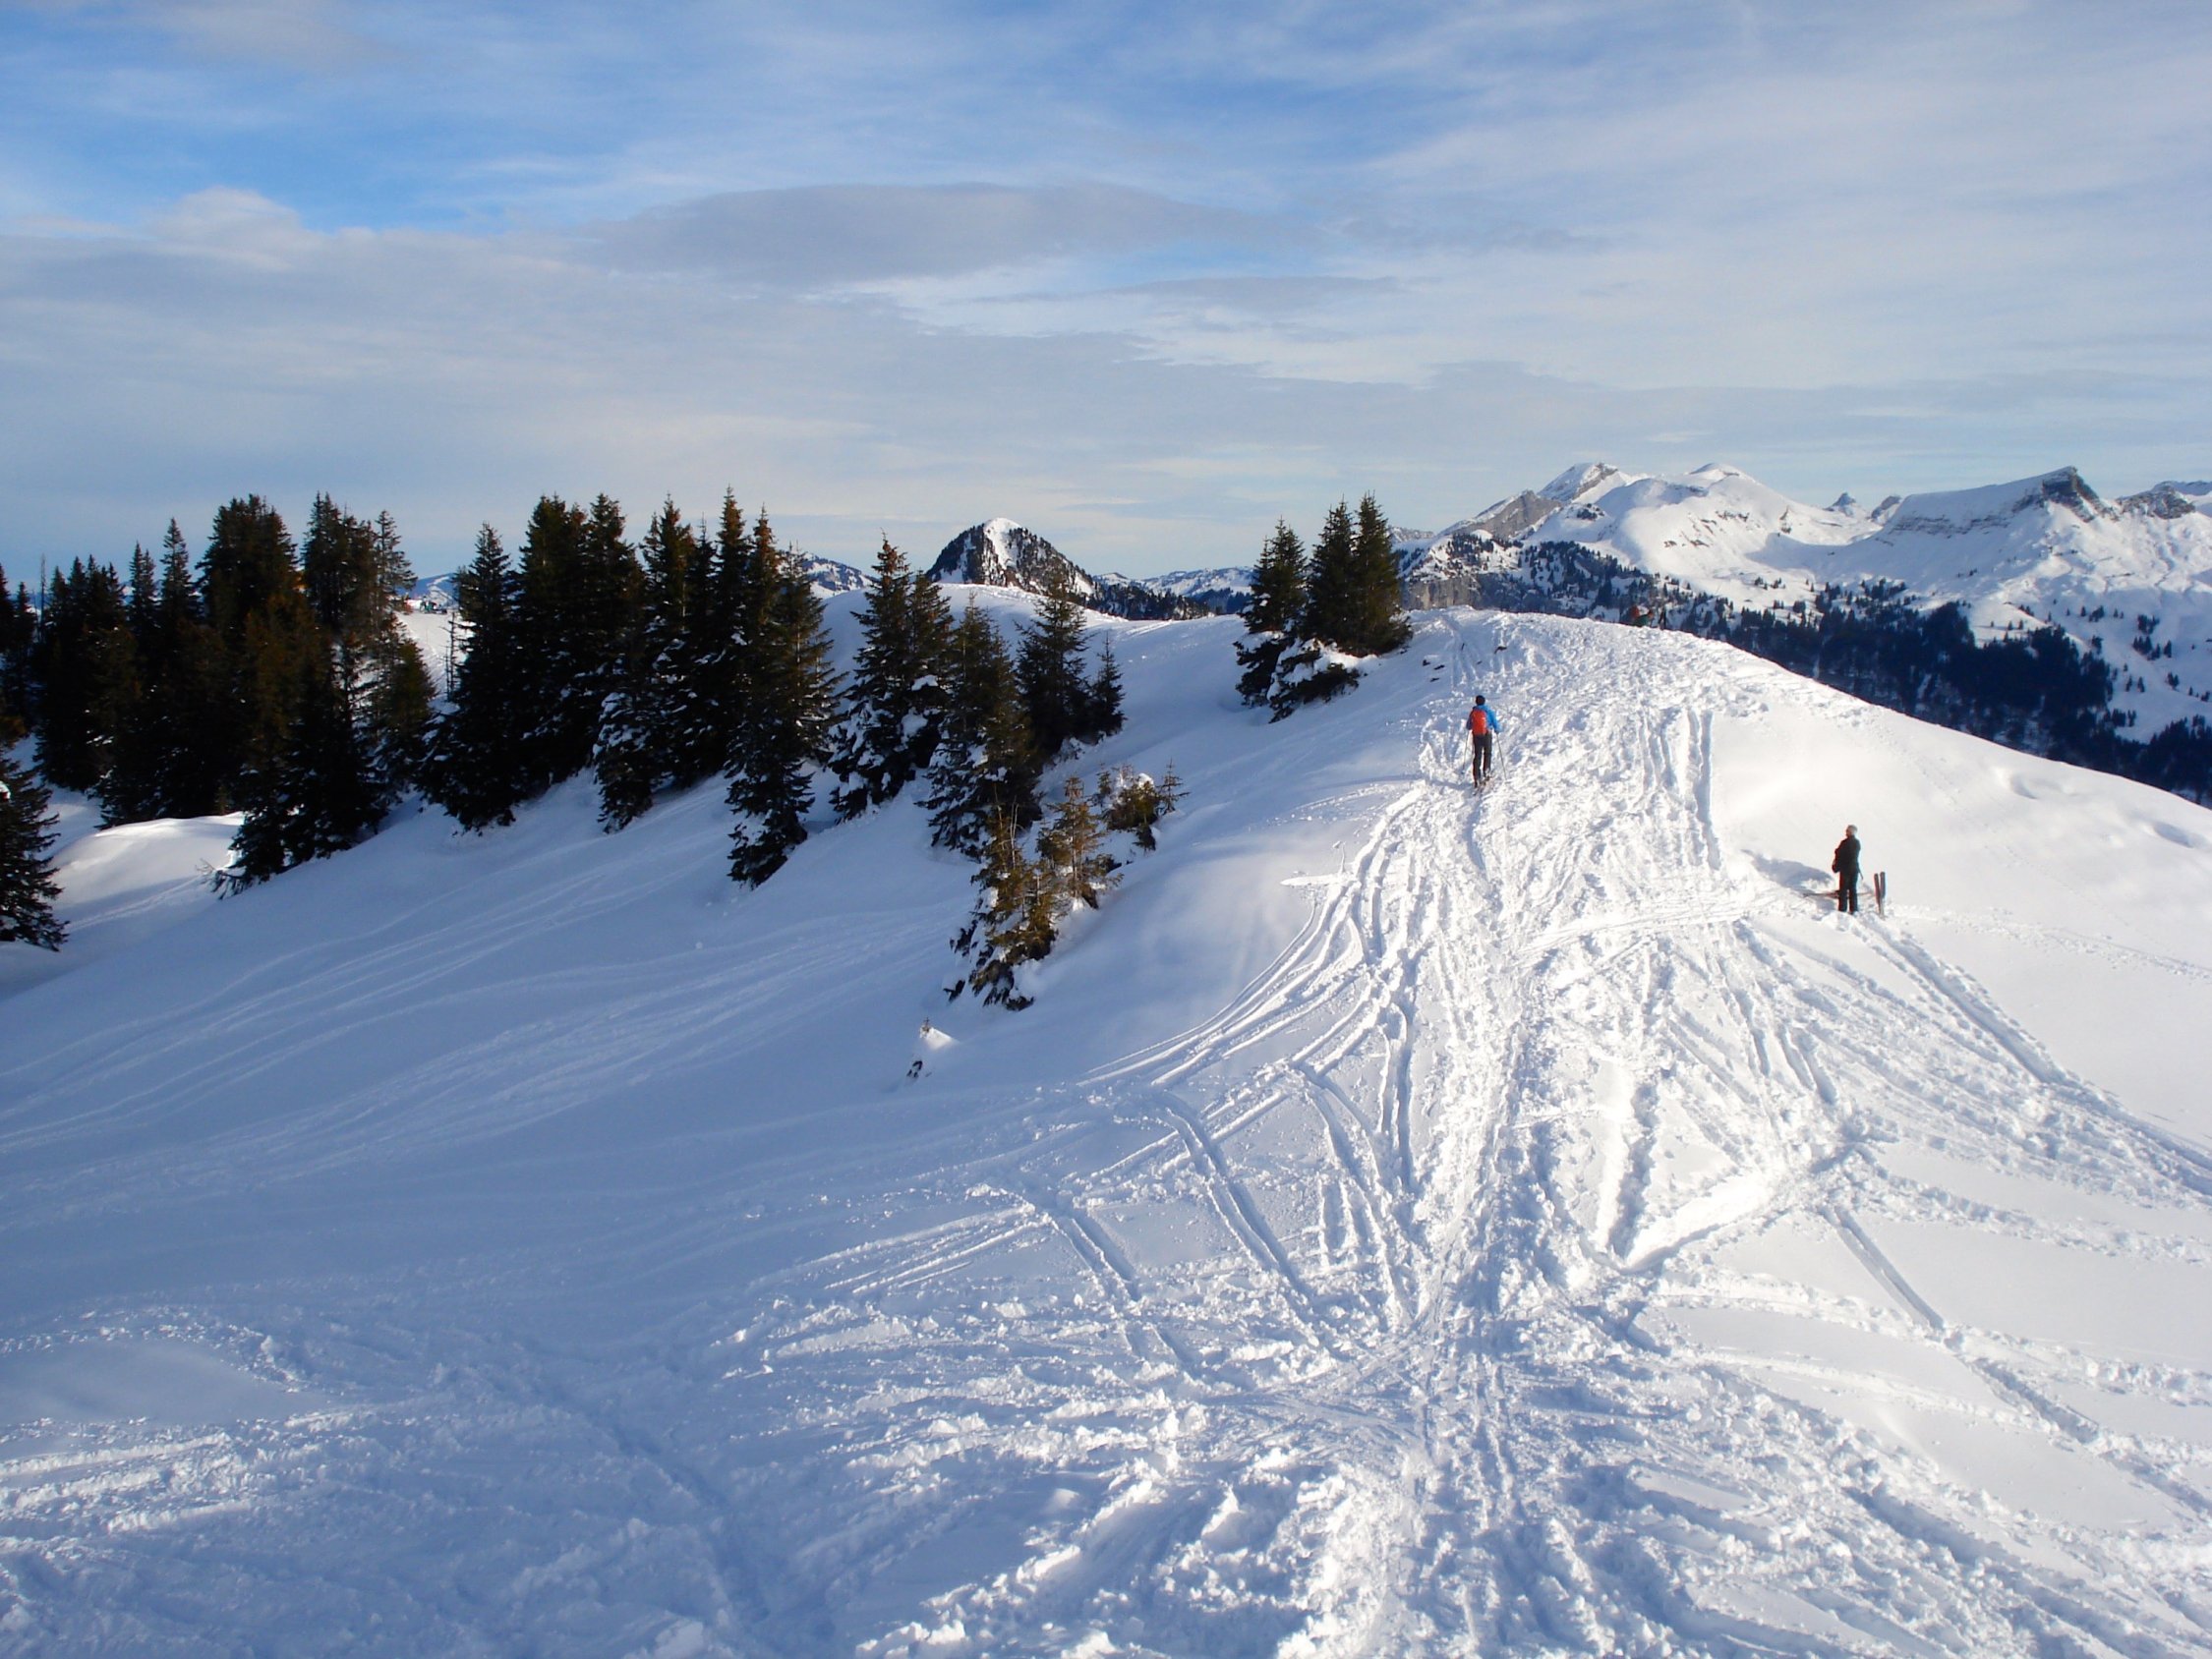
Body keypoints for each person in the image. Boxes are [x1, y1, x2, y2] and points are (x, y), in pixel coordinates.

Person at [1468, 695, 1498, 784]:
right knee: (1487, 753)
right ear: (1484, 702)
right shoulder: (1488, 711)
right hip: (1486, 734)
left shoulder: (1473, 712)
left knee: (1477, 755)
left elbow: (1468, 726)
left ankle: (1476, 776)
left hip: (1476, 735)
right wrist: (1497, 730)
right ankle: (1486, 771)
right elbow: (1495, 722)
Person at [1832, 824, 1861, 914]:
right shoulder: (1857, 843)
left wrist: (1835, 867)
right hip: (1855, 869)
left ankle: (1842, 909)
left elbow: (1840, 856)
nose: (1845, 832)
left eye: (1847, 830)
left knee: (1843, 889)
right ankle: (1854, 909)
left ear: (1850, 832)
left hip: (1845, 869)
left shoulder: (1844, 843)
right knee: (1853, 889)